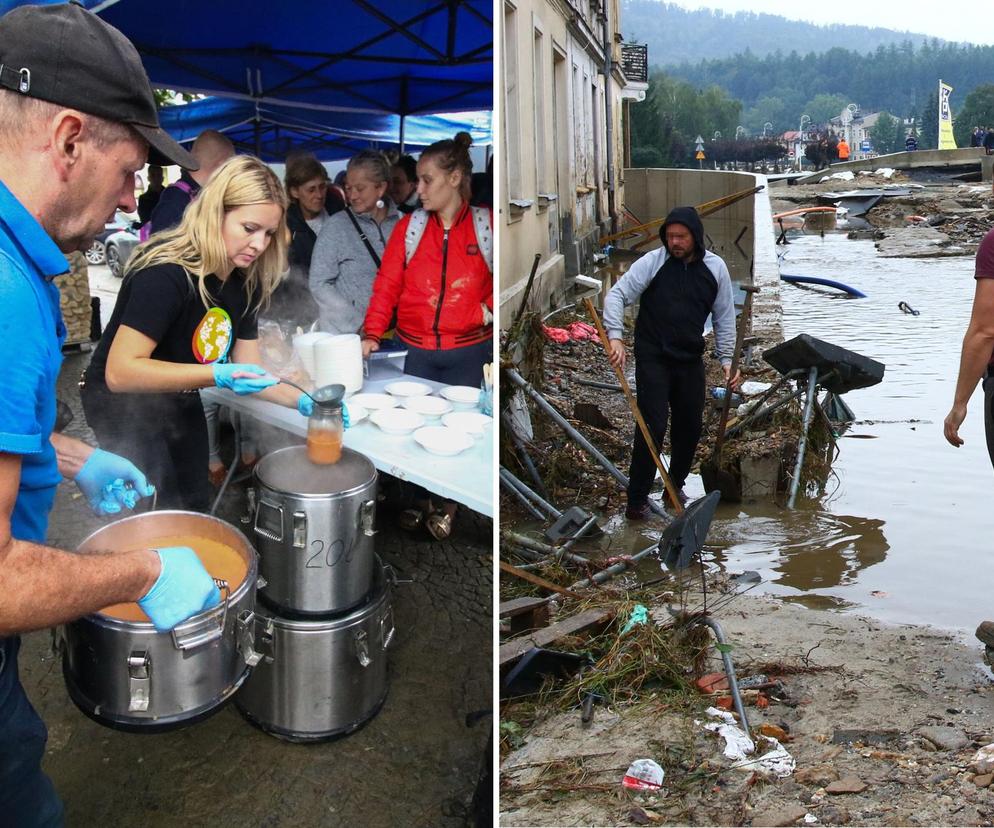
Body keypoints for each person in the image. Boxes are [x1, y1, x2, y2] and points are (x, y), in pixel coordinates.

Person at [0, 4, 223, 823]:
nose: (134, 198)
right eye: (130, 170)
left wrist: (67, 456)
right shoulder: (8, 298)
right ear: (67, 140)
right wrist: (148, 572)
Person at [80, 155, 315, 511]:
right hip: (122, 406)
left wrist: (303, 401)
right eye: (249, 228)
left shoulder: (244, 284)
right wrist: (216, 374)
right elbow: (120, 372)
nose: (259, 244)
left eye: (268, 233)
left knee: (193, 500)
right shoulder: (165, 273)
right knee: (152, 506)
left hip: (180, 396)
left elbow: (250, 368)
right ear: (215, 212)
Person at [362, 132, 493, 539]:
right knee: (415, 431)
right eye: (417, 180)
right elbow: (387, 284)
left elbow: (501, 280)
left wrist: (482, 310)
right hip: (414, 349)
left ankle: (447, 506)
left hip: (468, 352)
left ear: (454, 179)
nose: (418, 189)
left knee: (459, 431)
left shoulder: (485, 227)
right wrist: (370, 333)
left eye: (426, 179)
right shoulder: (411, 229)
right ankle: (419, 501)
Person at [603, 206, 738, 519]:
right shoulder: (653, 262)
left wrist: (728, 359)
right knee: (652, 425)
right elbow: (617, 295)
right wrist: (615, 337)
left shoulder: (715, 269)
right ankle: (636, 501)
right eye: (670, 236)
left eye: (681, 236)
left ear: (695, 237)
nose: (674, 242)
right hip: (653, 355)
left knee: (689, 426)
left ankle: (673, 486)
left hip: (689, 357)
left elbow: (724, 317)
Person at [310, 150, 401, 335]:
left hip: (396, 332)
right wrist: (358, 323)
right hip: (349, 337)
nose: (352, 196)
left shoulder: (403, 224)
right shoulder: (336, 227)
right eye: (348, 188)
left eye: (360, 188)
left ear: (381, 188)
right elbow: (318, 283)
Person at [269, 150, 325, 327]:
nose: (319, 195)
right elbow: (280, 276)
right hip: (295, 312)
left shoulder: (336, 218)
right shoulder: (284, 227)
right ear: (294, 192)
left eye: (322, 187)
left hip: (329, 311)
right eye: (311, 189)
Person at [148, 129, 235, 234]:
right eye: (230, 168)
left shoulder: (193, 196)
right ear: (221, 165)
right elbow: (159, 247)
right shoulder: (176, 199)